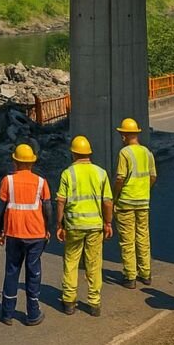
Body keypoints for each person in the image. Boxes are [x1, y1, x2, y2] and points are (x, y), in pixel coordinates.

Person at [0, 142, 52, 326]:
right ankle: (33, 313)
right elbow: (47, 208)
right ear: (32, 163)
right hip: (36, 234)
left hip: (13, 232)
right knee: (33, 271)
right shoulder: (41, 182)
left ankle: (7, 313)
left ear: (15, 162)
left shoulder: (7, 181)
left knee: (12, 271)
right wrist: (47, 229)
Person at [55, 135, 112, 316]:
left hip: (73, 225)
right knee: (94, 263)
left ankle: (69, 301)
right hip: (95, 226)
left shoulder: (67, 174)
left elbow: (60, 202)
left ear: (73, 154)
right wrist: (108, 223)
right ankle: (94, 303)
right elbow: (108, 202)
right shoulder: (101, 173)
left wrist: (59, 224)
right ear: (89, 154)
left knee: (71, 262)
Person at [112, 117, 157, 288]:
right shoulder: (147, 152)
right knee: (143, 237)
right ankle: (145, 273)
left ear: (124, 135)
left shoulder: (124, 153)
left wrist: (115, 196)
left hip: (126, 202)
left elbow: (120, 178)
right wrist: (145, 189)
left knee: (127, 240)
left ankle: (130, 276)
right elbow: (153, 176)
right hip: (143, 202)